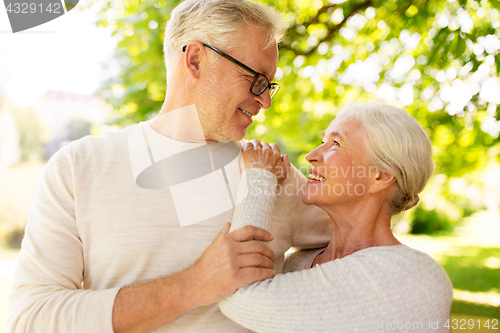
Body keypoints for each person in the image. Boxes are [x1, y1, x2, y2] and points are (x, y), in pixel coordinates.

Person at [7, 0, 332, 332]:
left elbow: (363, 236)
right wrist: (193, 285)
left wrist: (295, 272)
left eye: (269, 85)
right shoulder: (79, 167)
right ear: (194, 59)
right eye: (256, 79)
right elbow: (31, 318)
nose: (266, 101)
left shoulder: (269, 174)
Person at [219, 102, 453, 332]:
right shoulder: (298, 262)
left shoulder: (414, 276)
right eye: (322, 141)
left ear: (381, 177)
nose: (311, 155)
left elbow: (235, 288)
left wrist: (259, 178)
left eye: (336, 144)